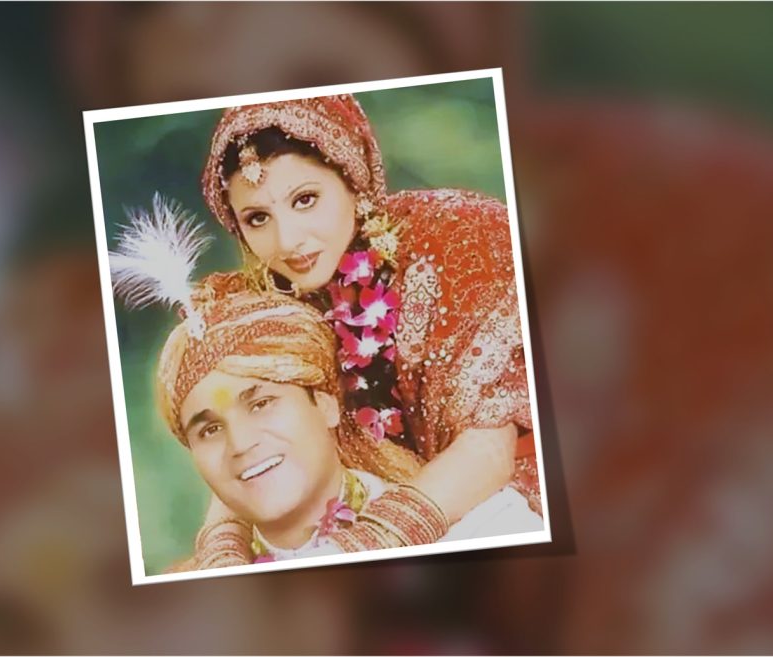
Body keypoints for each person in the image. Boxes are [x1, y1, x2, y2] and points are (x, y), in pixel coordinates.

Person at [109, 202, 541, 570]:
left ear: (327, 405)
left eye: (261, 403)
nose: (240, 444)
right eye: (209, 429)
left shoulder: (488, 529)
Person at [199, 94, 541, 525]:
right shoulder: (259, 309)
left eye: (305, 199)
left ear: (353, 182)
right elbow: (246, 464)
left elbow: (489, 453)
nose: (287, 241)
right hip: (368, 521)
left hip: (511, 503)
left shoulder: (454, 239)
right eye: (257, 219)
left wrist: (363, 545)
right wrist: (218, 550)